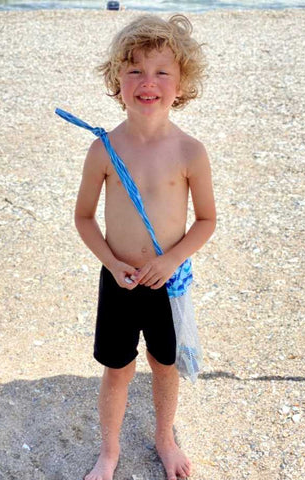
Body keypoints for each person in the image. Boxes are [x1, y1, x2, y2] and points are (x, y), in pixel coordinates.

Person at [74, 14, 216, 480]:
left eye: (161, 72)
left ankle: (164, 438)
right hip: (119, 280)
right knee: (117, 369)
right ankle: (109, 451)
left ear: (182, 82)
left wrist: (172, 258)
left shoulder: (190, 152)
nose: (147, 82)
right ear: (117, 80)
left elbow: (206, 220)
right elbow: (84, 217)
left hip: (167, 280)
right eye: (134, 70)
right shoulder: (104, 150)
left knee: (164, 364)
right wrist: (111, 263)